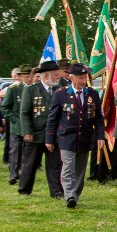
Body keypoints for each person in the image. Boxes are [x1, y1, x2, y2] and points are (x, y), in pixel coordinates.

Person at [44, 62, 102, 207]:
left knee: (80, 169)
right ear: (71, 78)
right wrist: (49, 139)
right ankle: (69, 195)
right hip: (66, 137)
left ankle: (75, 194)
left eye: (85, 78)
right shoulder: (61, 94)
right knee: (68, 166)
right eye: (80, 78)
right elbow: (52, 118)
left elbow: (99, 118)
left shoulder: (92, 94)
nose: (83, 81)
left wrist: (100, 136)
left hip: (85, 137)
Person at [16, 61, 63, 198]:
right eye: (55, 75)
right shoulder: (31, 90)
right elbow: (24, 112)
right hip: (35, 134)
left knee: (54, 165)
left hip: (53, 135)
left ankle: (56, 191)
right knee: (30, 163)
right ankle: (24, 189)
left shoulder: (59, 90)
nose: (58, 77)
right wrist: (27, 131)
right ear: (46, 75)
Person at [0, 66, 27, 185]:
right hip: (17, 125)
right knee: (15, 149)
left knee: (27, 151)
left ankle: (24, 173)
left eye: (29, 76)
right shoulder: (13, 89)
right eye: (26, 76)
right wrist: (15, 120)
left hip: (30, 126)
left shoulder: (35, 89)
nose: (29, 78)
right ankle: (13, 174)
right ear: (20, 77)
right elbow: (4, 107)